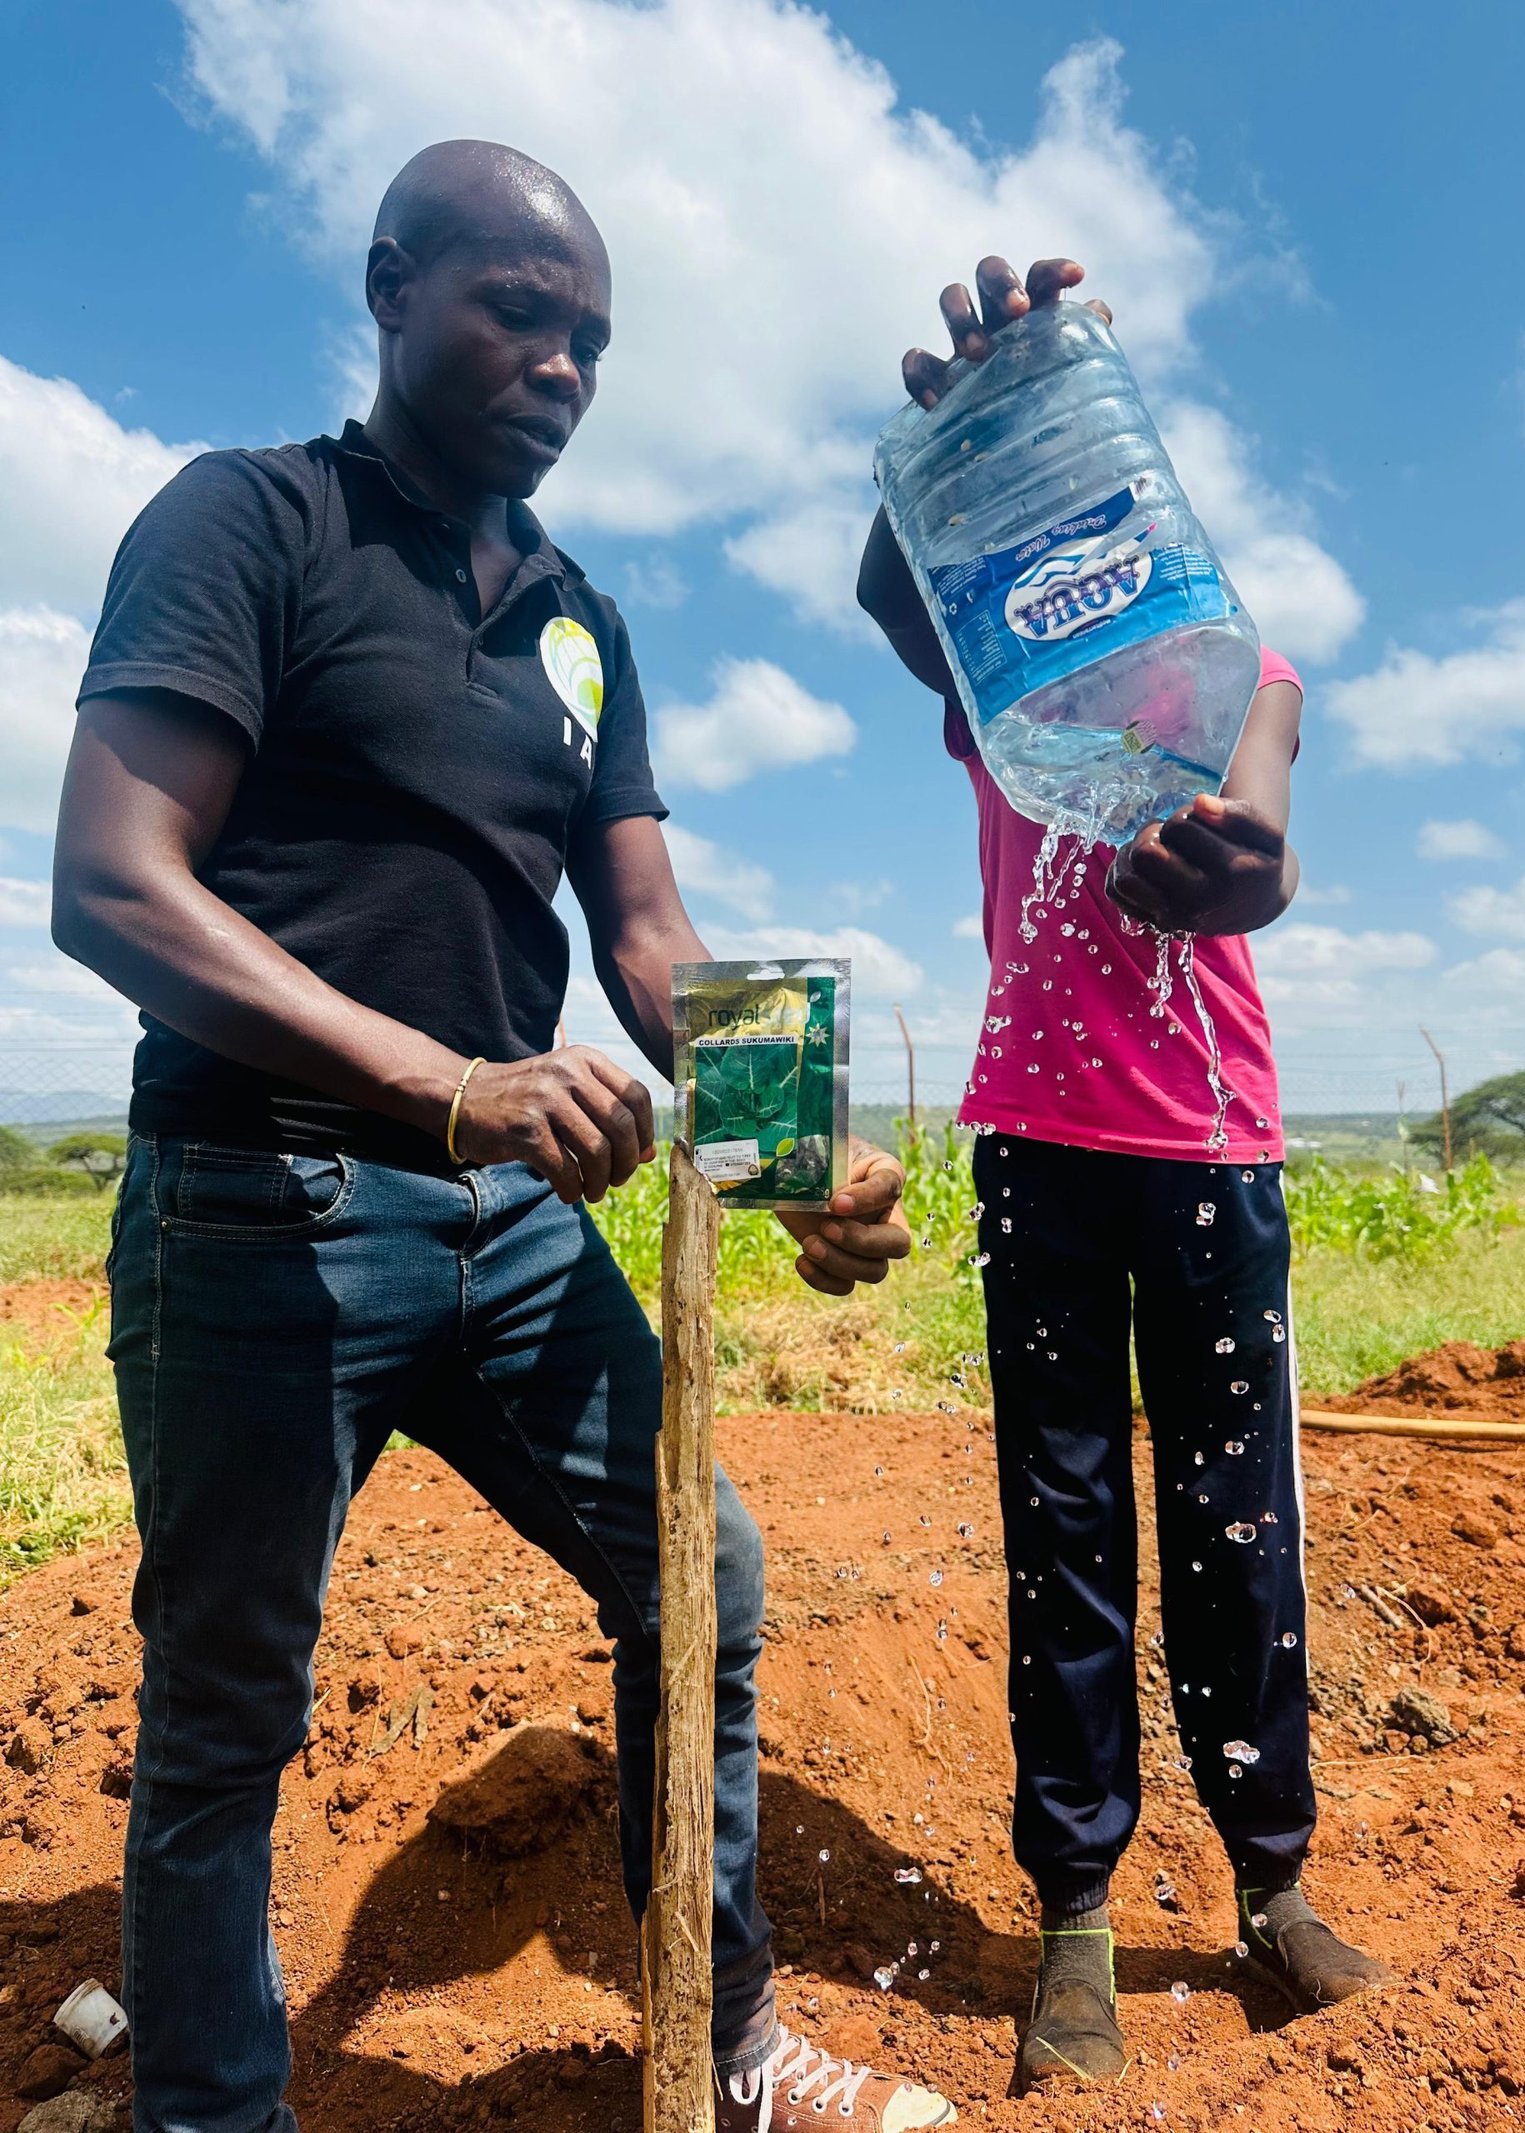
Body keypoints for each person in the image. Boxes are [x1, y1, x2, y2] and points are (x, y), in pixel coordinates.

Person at [55, 141, 955, 2133]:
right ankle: (209, 2103)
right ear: (391, 289)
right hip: (263, 1202)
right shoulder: (250, 522)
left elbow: (643, 935)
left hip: (510, 1217)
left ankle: (723, 2045)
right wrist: (452, 1080)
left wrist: (791, 1152)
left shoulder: (578, 619)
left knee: (697, 1575)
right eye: (519, 312)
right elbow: (112, 883)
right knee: (227, 1702)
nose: (562, 366)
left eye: (593, 343)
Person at [858, 252, 1393, 2092]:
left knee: (1240, 1523)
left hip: (1212, 1142)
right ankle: (1075, 1918)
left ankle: (1271, 1886)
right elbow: (897, 594)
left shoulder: (1248, 666)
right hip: (1038, 1144)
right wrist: (955, 432)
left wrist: (1251, 874)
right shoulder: (1008, 662)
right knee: (1065, 1525)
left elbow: (1266, 837)